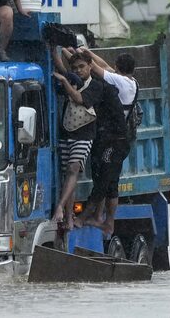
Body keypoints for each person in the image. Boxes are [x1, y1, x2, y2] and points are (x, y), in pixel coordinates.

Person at [67, 48, 136, 235]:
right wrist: (82, 51)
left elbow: (96, 68)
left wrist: (71, 54)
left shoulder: (116, 82)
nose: (78, 70)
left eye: (82, 66)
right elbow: (100, 65)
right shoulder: (128, 81)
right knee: (111, 184)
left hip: (115, 139)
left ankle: (84, 218)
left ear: (117, 67)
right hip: (114, 138)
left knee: (103, 182)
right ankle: (104, 221)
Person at [51, 50, 103, 230]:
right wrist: (54, 51)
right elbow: (61, 68)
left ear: (90, 66)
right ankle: (69, 218)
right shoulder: (72, 79)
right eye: (75, 68)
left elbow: (79, 98)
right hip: (67, 132)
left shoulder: (96, 86)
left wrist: (65, 81)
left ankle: (60, 207)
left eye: (82, 67)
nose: (79, 70)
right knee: (68, 175)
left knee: (74, 168)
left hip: (85, 134)